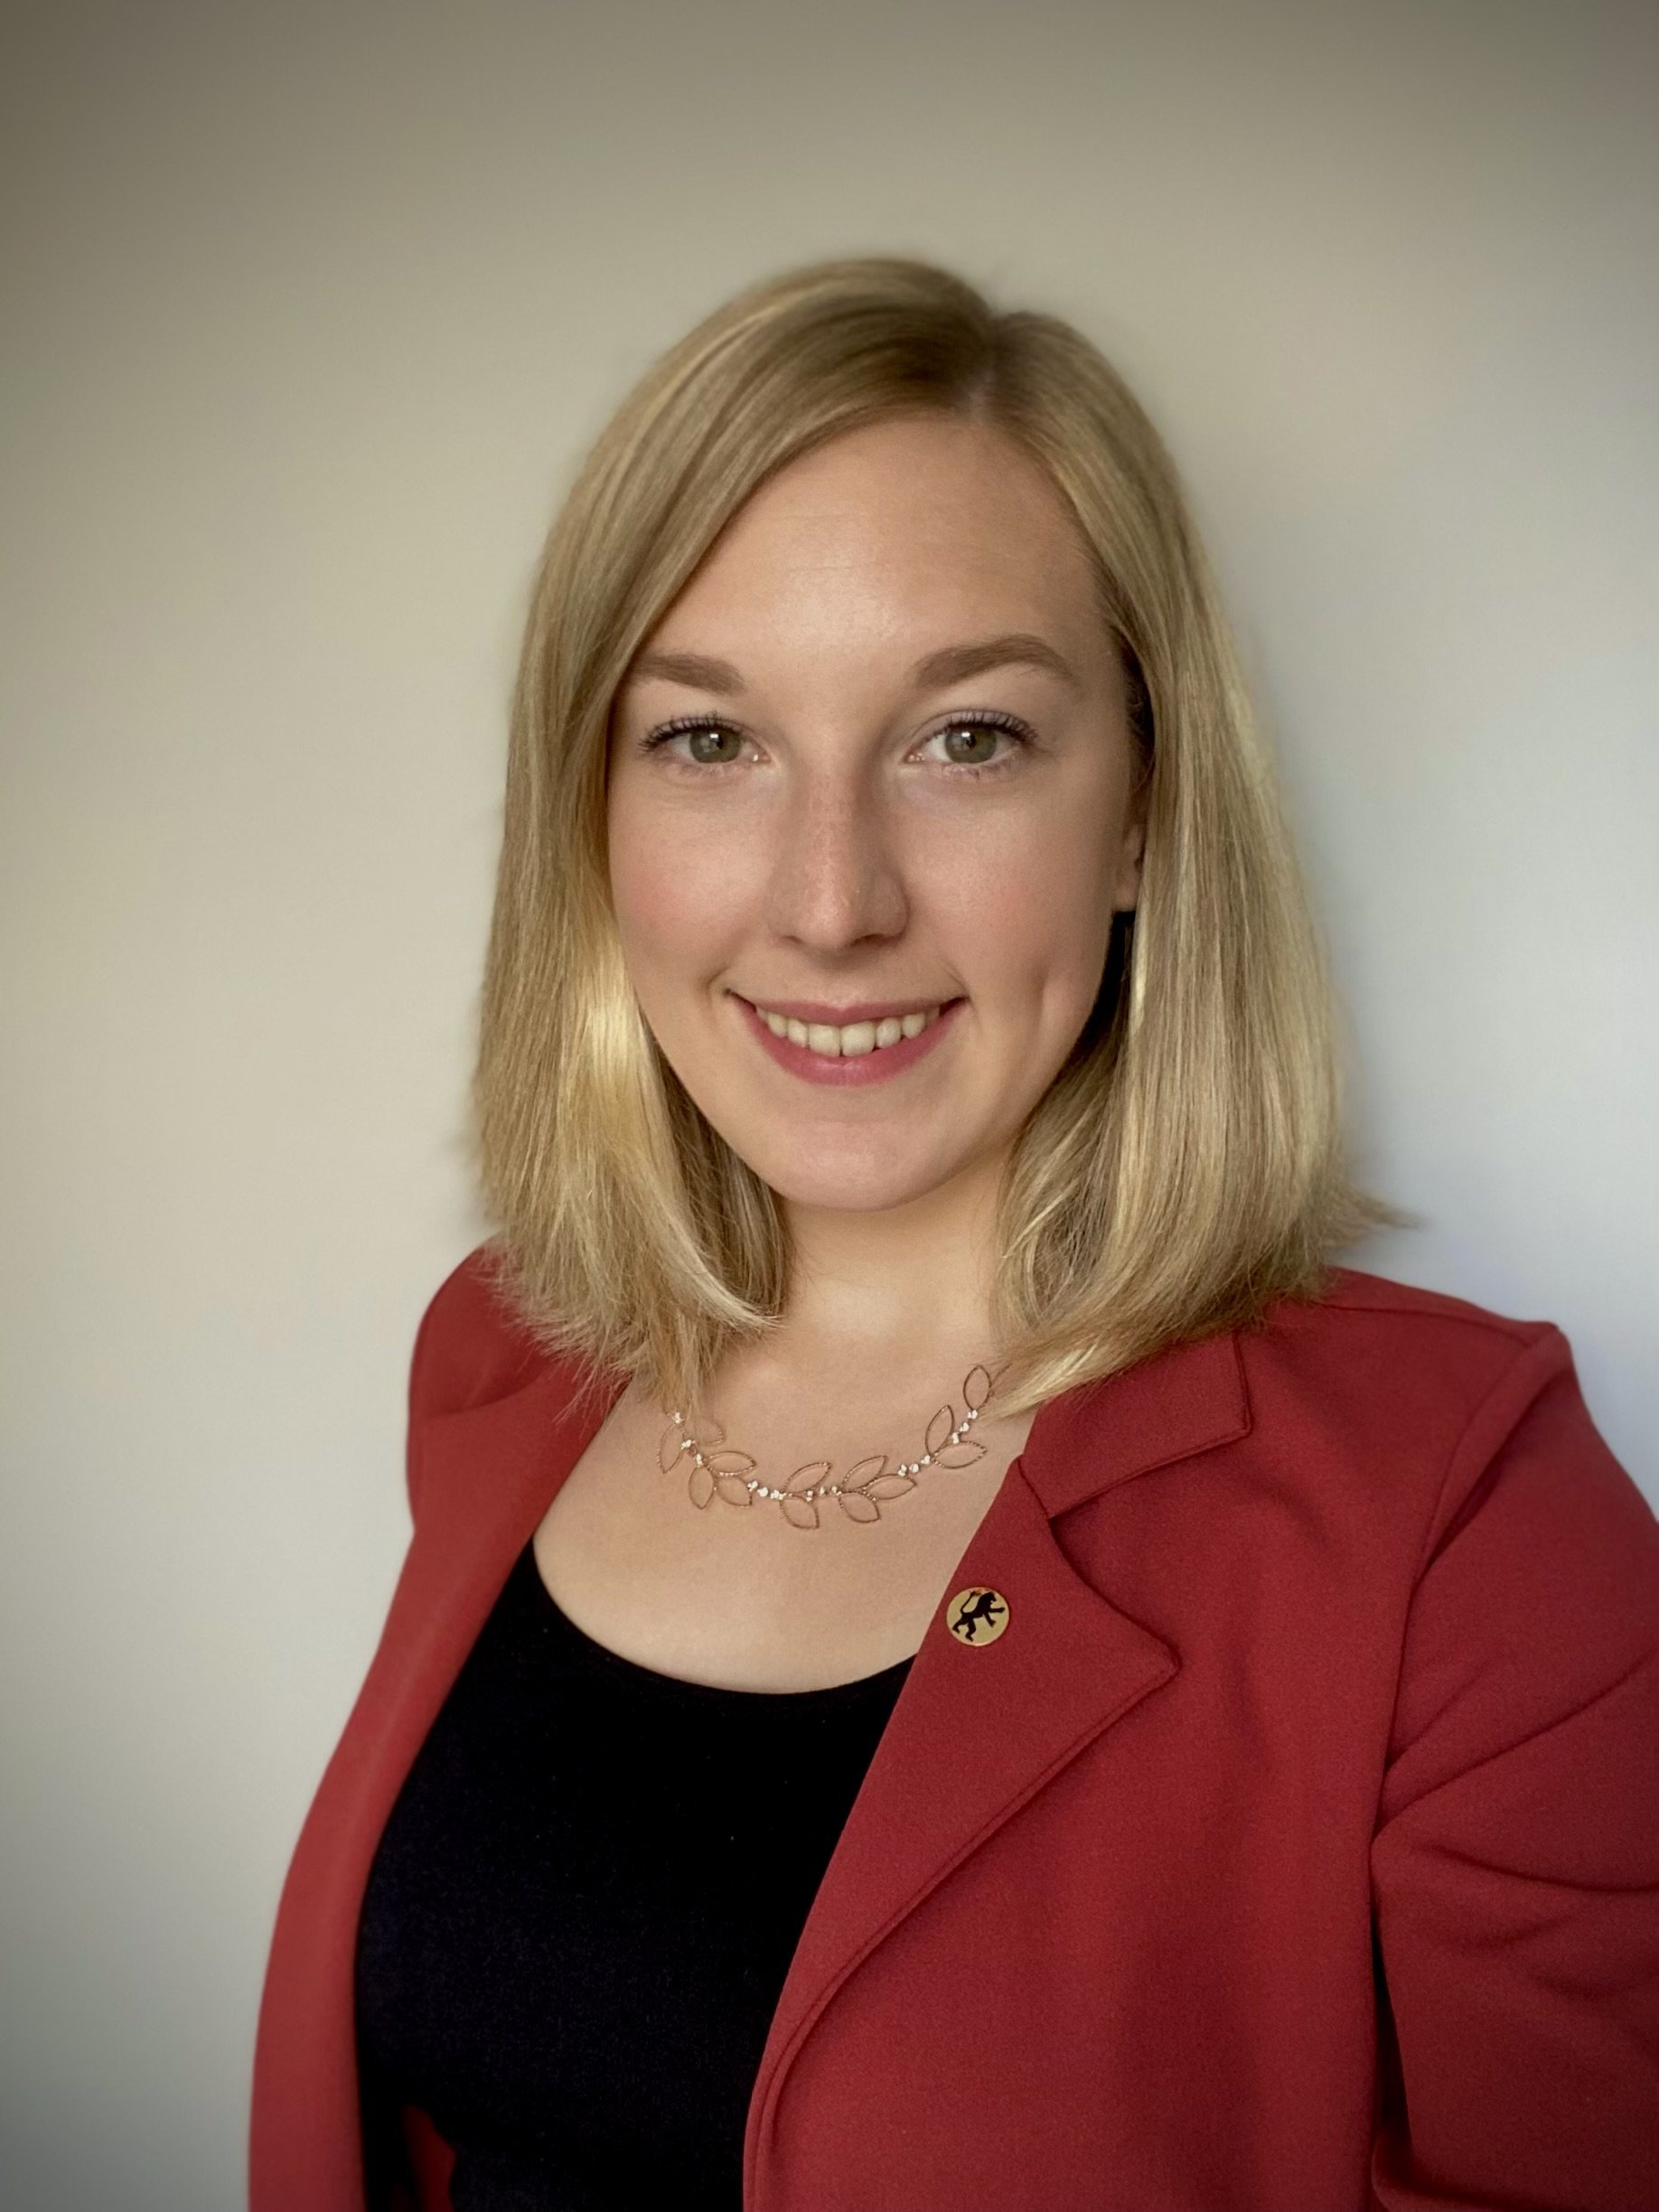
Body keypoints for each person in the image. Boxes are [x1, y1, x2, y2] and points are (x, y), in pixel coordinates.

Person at [248, 258, 1659, 2212]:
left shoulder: (1465, 1518)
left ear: (1144, 810)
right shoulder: (504, 1361)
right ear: (591, 815)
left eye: (968, 738)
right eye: (710, 741)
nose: (832, 903)